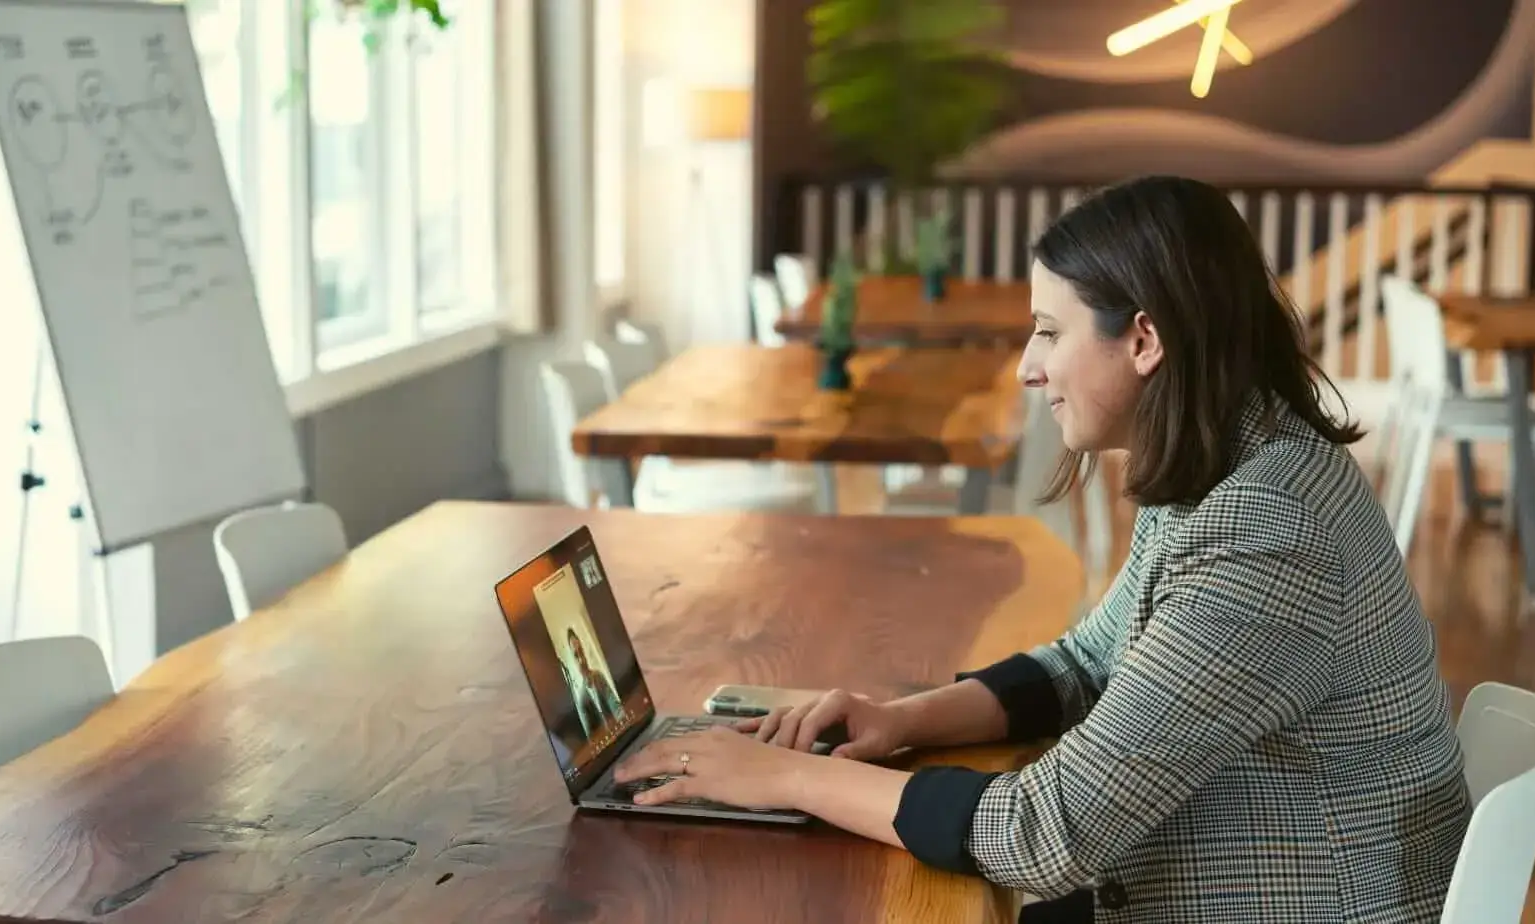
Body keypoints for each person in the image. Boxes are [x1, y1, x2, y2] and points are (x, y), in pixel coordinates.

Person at [612, 175, 1472, 923]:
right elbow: (1087, 663)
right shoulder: (1230, 462)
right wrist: (897, 720)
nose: (1029, 366)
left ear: (1143, 340)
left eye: (1050, 332)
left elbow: (1045, 835)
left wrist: (784, 781)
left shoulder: (1270, 528)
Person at [564, 626, 624, 739]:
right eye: (576, 656)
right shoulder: (581, 700)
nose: (581, 660)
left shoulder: (598, 676)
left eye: (581, 652)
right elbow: (590, 738)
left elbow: (616, 706)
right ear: (573, 661)